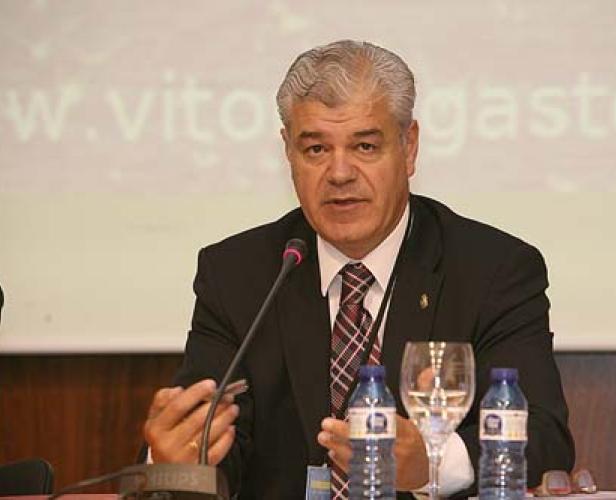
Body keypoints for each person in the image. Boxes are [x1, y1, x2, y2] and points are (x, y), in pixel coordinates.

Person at [143, 40, 574, 499]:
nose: (339, 173)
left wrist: (431, 462)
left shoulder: (493, 270)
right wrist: (175, 461)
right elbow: (210, 445)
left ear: (409, 147)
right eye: (315, 149)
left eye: (365, 146)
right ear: (288, 152)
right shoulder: (238, 274)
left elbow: (543, 437)